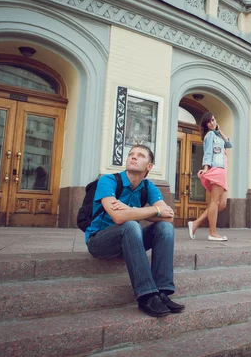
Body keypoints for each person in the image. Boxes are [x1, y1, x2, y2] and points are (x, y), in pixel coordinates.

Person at [85, 144, 184, 318]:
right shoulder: (108, 181)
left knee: (165, 228)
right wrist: (153, 211)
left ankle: (162, 292)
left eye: (140, 155)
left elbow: (168, 217)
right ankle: (146, 295)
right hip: (99, 241)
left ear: (149, 166)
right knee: (131, 225)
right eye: (131, 154)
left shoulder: (148, 186)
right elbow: (118, 218)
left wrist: (130, 210)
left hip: (130, 240)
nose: (133, 157)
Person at [187, 112, 232, 241]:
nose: (212, 123)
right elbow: (207, 153)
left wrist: (220, 130)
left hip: (223, 170)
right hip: (217, 169)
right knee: (214, 201)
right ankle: (212, 233)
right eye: (209, 121)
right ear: (205, 124)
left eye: (214, 120)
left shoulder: (217, 134)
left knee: (222, 204)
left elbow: (229, 144)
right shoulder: (210, 135)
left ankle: (195, 223)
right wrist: (206, 167)